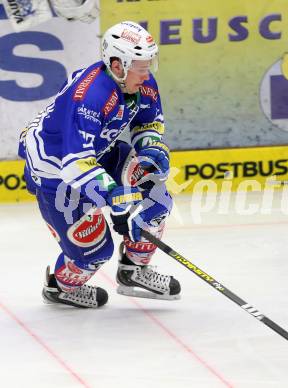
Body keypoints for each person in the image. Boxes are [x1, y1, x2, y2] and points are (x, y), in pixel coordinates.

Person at [18, 21, 181, 308]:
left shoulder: (141, 82)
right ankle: (60, 287)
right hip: (56, 175)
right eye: (141, 65)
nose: (148, 73)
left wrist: (152, 149)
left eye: (149, 63)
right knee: (93, 252)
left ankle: (133, 270)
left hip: (99, 153)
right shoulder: (89, 97)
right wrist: (115, 195)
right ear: (117, 65)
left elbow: (148, 124)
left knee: (155, 201)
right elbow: (74, 164)